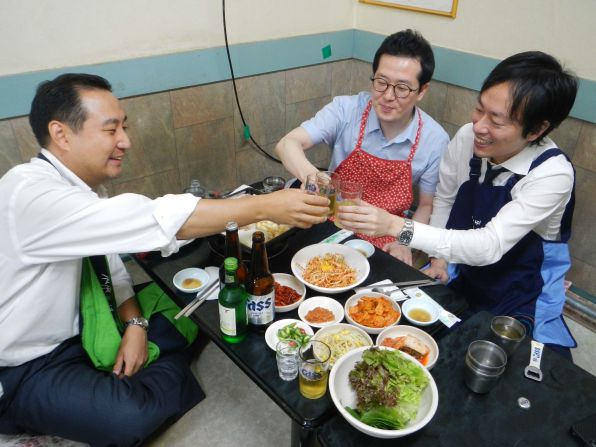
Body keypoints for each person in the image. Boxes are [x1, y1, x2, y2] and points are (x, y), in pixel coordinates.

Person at [0, 73, 329, 446]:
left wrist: (136, 325)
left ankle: (138, 360)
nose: (126, 141)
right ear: (61, 134)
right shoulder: (28, 194)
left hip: (91, 321)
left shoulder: (80, 191)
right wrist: (264, 205)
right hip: (28, 364)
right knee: (128, 419)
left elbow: (112, 268)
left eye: (124, 126)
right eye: (111, 130)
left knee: (194, 309)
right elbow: (150, 218)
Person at [337, 51, 579, 357]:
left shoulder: (552, 174)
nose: (479, 126)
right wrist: (438, 260)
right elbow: (446, 199)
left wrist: (395, 226)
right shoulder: (468, 138)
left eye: (497, 120)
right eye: (479, 109)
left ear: (537, 130)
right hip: (462, 271)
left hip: (521, 290)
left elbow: (489, 245)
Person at [275, 29, 449, 265]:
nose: (388, 96)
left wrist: (404, 241)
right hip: (330, 222)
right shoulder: (346, 110)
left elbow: (427, 205)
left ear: (422, 90)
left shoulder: (435, 139)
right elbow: (287, 144)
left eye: (402, 88)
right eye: (381, 82)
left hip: (387, 235)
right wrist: (311, 176)